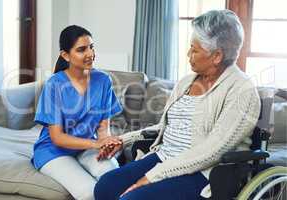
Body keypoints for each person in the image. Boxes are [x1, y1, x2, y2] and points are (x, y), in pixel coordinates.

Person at [94, 10, 261, 200]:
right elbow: (165, 128)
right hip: (164, 157)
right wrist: (123, 140)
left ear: (217, 56)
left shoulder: (242, 91)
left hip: (204, 172)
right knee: (105, 187)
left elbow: (212, 151)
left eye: (195, 49)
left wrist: (152, 177)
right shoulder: (186, 82)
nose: (189, 54)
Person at [31, 25, 123, 200]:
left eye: (92, 47)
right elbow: (57, 138)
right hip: (53, 151)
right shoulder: (54, 85)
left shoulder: (103, 80)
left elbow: (103, 129)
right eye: (82, 49)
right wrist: (96, 144)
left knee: (113, 179)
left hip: (85, 148)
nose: (90, 54)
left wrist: (107, 143)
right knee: (89, 192)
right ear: (65, 55)